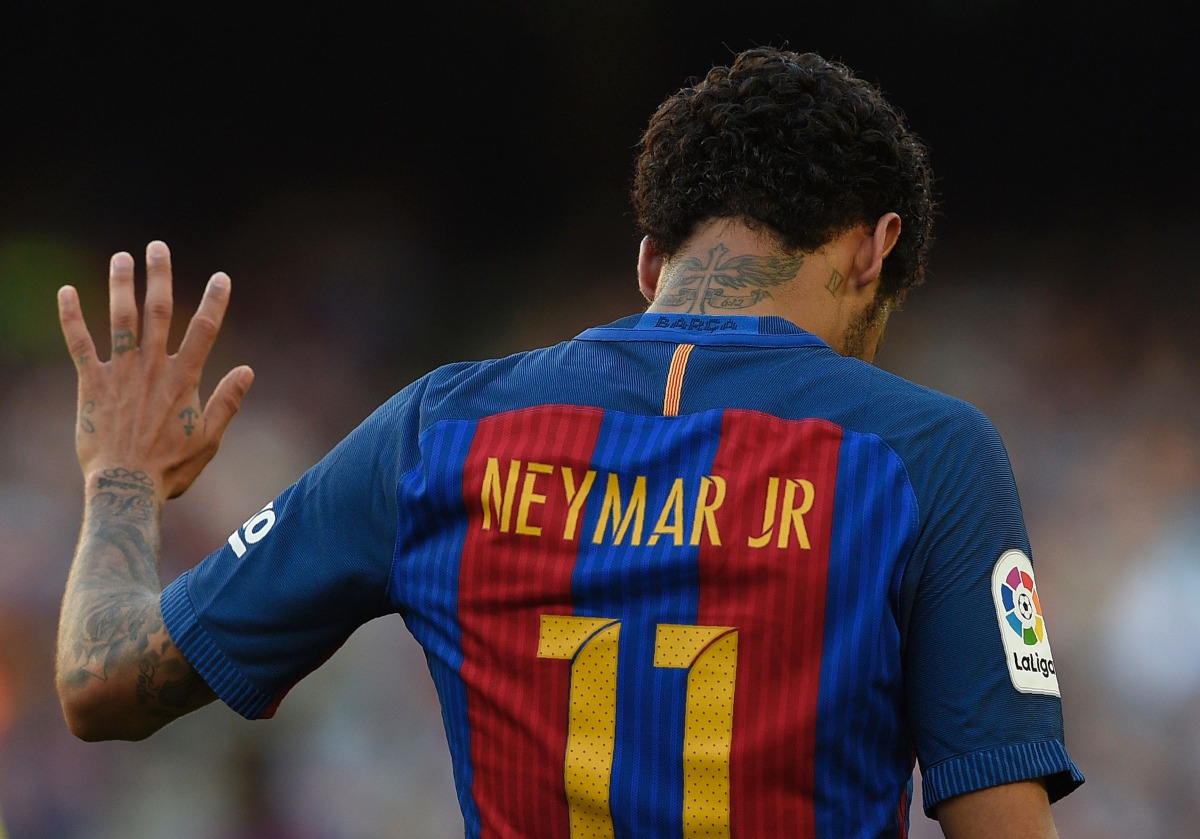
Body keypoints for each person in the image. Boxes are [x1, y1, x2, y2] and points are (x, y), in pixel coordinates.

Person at [55, 48, 1083, 838]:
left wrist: (120, 481)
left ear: (650, 262)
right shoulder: (928, 453)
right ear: (877, 247)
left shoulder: (436, 432)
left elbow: (101, 684)